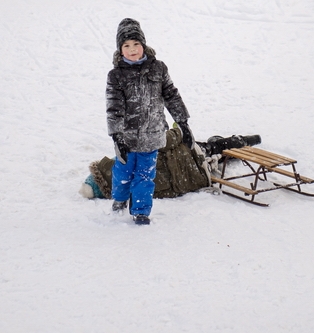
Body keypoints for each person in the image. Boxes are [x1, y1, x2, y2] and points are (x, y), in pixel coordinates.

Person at [105, 18, 192, 225]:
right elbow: (113, 107)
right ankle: (119, 200)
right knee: (123, 173)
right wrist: (117, 136)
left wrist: (183, 123)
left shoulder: (158, 68)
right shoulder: (116, 75)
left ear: (143, 44)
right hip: (126, 138)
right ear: (120, 49)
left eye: (136, 44)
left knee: (145, 177)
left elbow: (171, 95)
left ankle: (141, 211)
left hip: (152, 135)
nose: (132, 49)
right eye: (126, 46)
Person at [79, 125, 262, 201]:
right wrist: (178, 130)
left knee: (214, 152)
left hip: (197, 174)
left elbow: (173, 191)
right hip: (189, 154)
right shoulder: (131, 157)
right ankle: (239, 142)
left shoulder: (138, 192)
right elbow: (167, 139)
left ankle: (228, 147)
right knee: (213, 147)